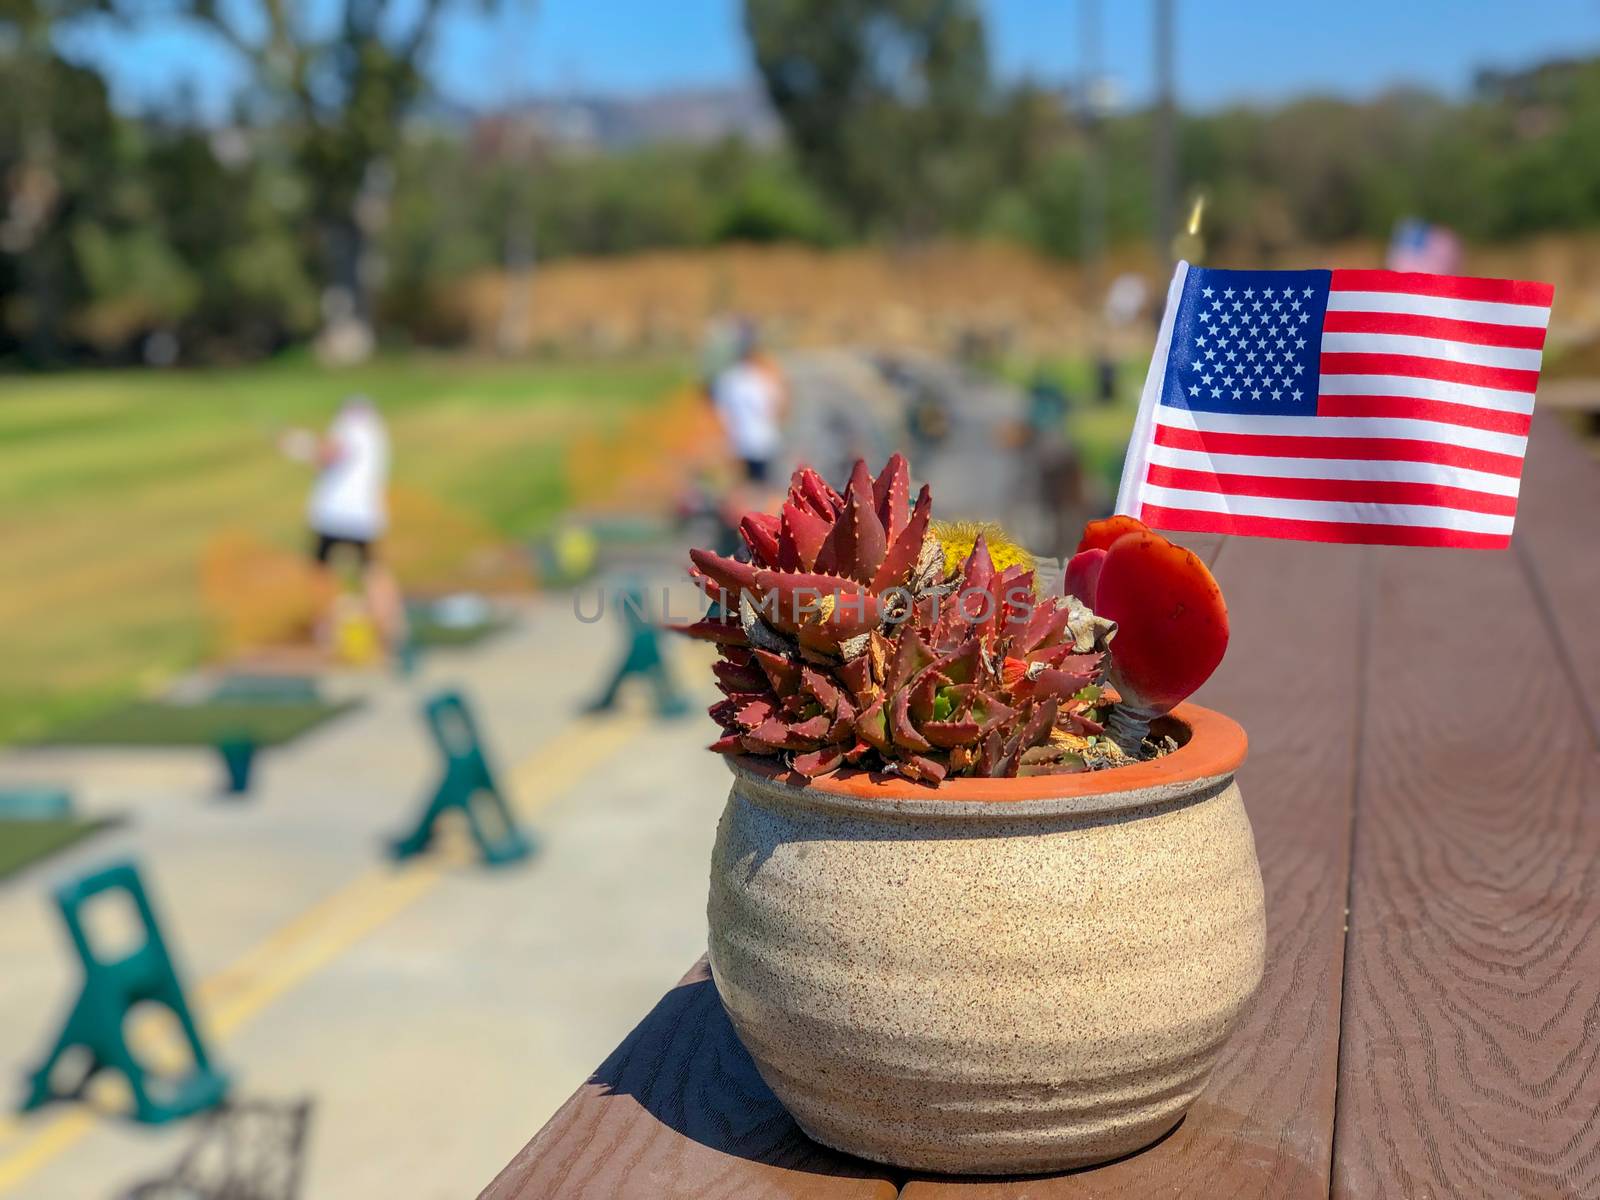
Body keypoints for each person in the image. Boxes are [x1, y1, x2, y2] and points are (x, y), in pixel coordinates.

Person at [282, 395, 407, 653]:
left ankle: (325, 628)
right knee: (372, 570)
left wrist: (302, 446)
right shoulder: (376, 431)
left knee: (321, 571)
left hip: (335, 514)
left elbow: (330, 455)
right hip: (364, 515)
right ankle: (391, 627)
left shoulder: (349, 427)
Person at [711, 324, 785, 485]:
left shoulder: (729, 379)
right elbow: (776, 404)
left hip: (744, 440)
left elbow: (720, 411)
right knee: (760, 483)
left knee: (749, 483)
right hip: (758, 439)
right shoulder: (760, 377)